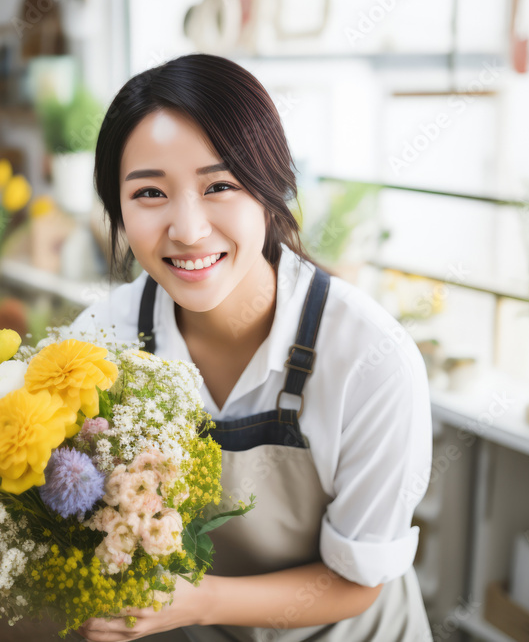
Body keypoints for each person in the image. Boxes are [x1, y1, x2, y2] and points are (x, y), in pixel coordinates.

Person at [65, 53, 434, 642]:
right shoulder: (101, 340)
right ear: (117, 208)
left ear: (270, 189)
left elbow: (358, 580)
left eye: (219, 185)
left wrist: (197, 601)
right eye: (150, 194)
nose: (187, 230)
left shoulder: (372, 359)